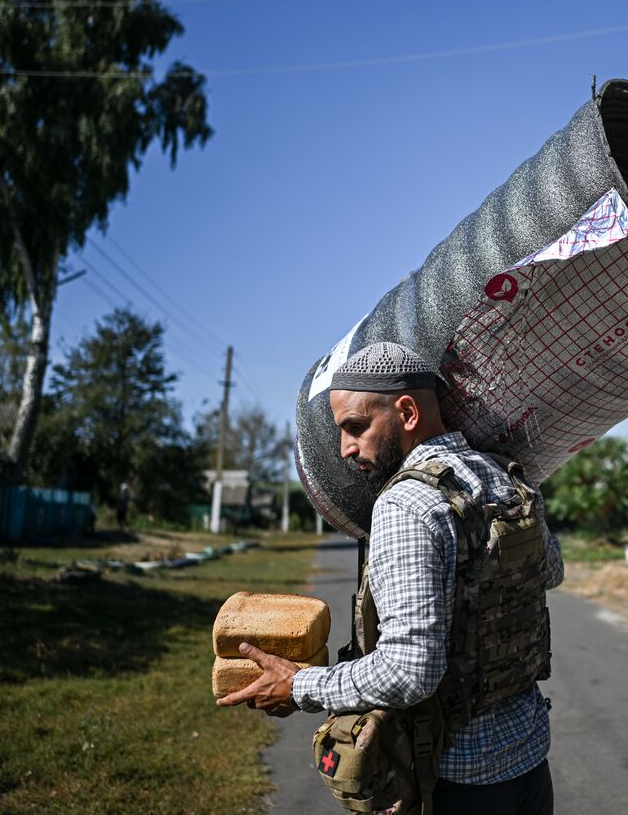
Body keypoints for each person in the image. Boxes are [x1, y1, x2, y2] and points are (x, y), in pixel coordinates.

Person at [218, 342, 563, 815]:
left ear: (405, 411)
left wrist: (299, 686)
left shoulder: (405, 504)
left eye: (356, 427)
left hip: (455, 781)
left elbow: (408, 671)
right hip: (528, 763)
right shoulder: (505, 474)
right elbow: (551, 572)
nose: (345, 448)